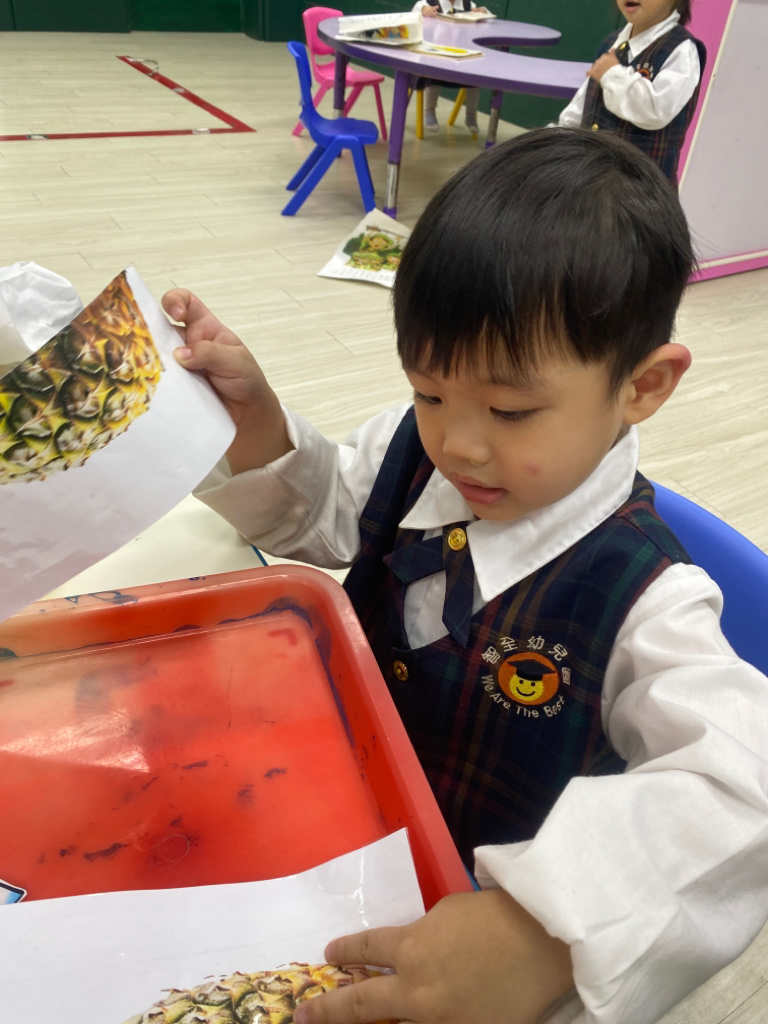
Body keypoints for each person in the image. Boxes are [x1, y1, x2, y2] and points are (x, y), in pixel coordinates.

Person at [163, 129, 768, 1024]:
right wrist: (255, 427)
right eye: (430, 391)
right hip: (335, 833)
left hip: (476, 948)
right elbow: (327, 512)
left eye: (511, 410)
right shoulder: (412, 454)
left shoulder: (649, 601)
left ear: (642, 387)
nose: (459, 444)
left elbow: (742, 785)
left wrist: (542, 933)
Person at [558, 0, 706, 185]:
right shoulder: (612, 44)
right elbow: (580, 109)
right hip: (592, 181)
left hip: (641, 189)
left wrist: (613, 74)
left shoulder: (681, 50)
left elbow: (656, 111)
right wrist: (556, 140)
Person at [412, 0, 491, 135]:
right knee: (434, 71)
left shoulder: (467, 5)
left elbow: (487, 21)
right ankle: (430, 110)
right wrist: (423, 9)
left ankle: (471, 115)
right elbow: (415, 12)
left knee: (474, 74)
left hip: (459, 58)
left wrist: (483, 12)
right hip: (435, 56)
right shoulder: (430, 3)